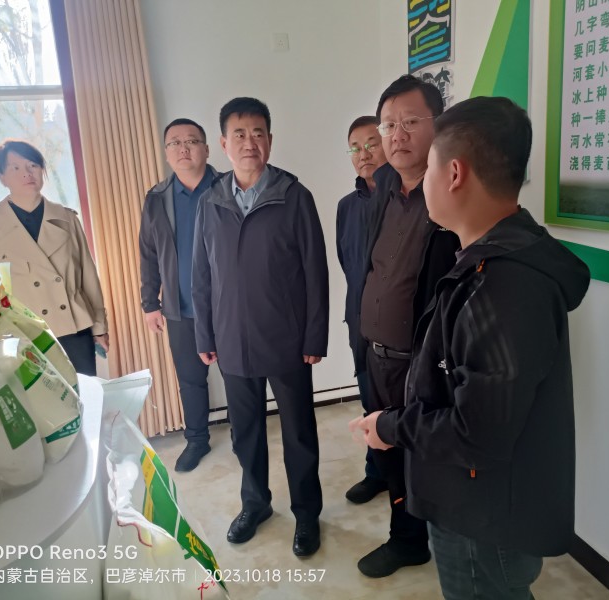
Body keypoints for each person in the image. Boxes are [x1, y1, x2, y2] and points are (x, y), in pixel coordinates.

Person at [354, 96, 591, 599]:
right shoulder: (486, 261)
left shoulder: (505, 285)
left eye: (430, 166)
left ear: (454, 173)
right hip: (471, 497)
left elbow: (476, 432)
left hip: (484, 515)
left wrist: (392, 427)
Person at [192, 97, 328, 557]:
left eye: (258, 133)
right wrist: (205, 334)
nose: (249, 142)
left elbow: (315, 273)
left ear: (270, 139)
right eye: (240, 134)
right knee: (244, 431)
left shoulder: (294, 196)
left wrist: (314, 335)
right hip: (232, 339)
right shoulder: (211, 202)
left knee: (298, 431)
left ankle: (306, 512)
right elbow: (201, 275)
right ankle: (255, 504)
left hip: (286, 339)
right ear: (223, 144)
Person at [355, 75, 460, 578]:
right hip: (376, 354)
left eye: (411, 122)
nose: (397, 135)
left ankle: (424, 539)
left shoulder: (451, 195)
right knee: (389, 453)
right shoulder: (382, 191)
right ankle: (407, 538)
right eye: (389, 124)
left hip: (419, 363)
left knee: (421, 455)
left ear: (438, 125)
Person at [0, 139, 108, 375]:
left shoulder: (67, 218)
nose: (27, 173)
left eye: (33, 165)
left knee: (86, 394)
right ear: (1, 177)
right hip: (25, 334)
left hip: (73, 326)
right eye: (15, 168)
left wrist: (99, 325)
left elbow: (88, 275)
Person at [139, 118, 220, 472]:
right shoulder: (157, 198)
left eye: (191, 141)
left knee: (240, 376)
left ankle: (246, 434)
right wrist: (150, 303)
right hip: (181, 307)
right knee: (190, 379)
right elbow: (148, 253)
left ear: (207, 148)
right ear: (166, 152)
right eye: (175, 143)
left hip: (228, 305)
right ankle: (197, 439)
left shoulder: (228, 187)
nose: (183, 148)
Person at [336, 116, 388, 504]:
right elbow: (347, 263)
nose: (363, 153)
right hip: (360, 322)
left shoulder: (406, 198)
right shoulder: (346, 207)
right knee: (370, 399)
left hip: (399, 326)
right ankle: (377, 472)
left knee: (402, 406)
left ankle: (410, 481)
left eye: (371, 143)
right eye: (355, 147)